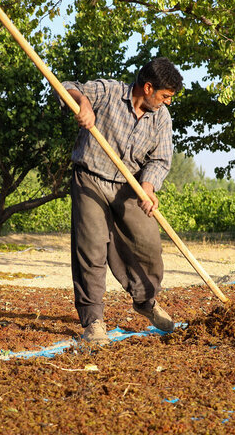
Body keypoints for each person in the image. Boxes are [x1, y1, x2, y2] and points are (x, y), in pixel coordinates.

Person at [61, 57, 183, 345]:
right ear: (148, 88)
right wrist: (84, 105)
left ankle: (146, 302)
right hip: (90, 177)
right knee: (91, 249)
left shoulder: (161, 119)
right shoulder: (109, 92)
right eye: (165, 97)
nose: (166, 103)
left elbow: (160, 160)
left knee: (148, 244)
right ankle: (93, 323)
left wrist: (149, 188)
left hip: (129, 186)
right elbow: (67, 87)